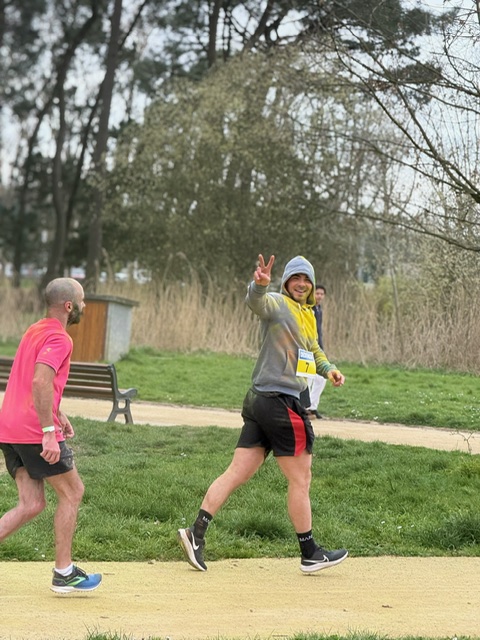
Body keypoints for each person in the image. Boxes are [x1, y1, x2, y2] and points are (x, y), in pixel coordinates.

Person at [178, 254, 348, 574]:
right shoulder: (278, 304)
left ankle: (195, 532)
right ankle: (310, 552)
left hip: (259, 402)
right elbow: (257, 302)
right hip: (279, 402)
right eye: (296, 278)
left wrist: (329, 370)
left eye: (306, 279)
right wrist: (259, 285)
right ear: (286, 282)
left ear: (312, 285)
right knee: (301, 478)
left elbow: (313, 350)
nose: (301, 284)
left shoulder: (308, 314)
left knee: (237, 472)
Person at [0, 278, 102, 593]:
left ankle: (64, 572)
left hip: (9, 427)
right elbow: (40, 382)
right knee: (72, 492)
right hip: (33, 430)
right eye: (82, 301)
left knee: (31, 503)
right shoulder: (60, 338)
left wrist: (58, 413)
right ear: (69, 306)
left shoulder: (34, 330)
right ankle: (64, 573)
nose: (84, 305)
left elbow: (32, 382)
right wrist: (48, 431)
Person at [305, 284, 327, 420]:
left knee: (321, 378)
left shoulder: (319, 310)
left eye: (321, 294)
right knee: (308, 378)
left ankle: (313, 406)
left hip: (318, 347)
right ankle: (304, 407)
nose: (319, 296)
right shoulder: (308, 308)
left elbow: (319, 331)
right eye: (317, 293)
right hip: (308, 348)